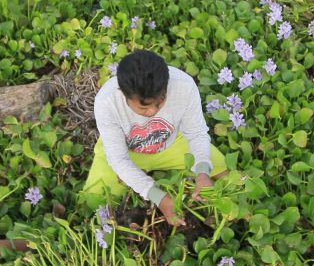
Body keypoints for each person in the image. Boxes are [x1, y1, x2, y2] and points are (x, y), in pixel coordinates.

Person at [84, 49, 229, 226]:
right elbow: (119, 159)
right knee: (92, 201)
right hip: (128, 151)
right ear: (124, 94)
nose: (153, 111)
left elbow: (197, 133)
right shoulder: (107, 102)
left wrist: (203, 172)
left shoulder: (184, 85)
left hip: (173, 142)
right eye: (143, 108)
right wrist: (158, 196)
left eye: (160, 101)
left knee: (224, 173)